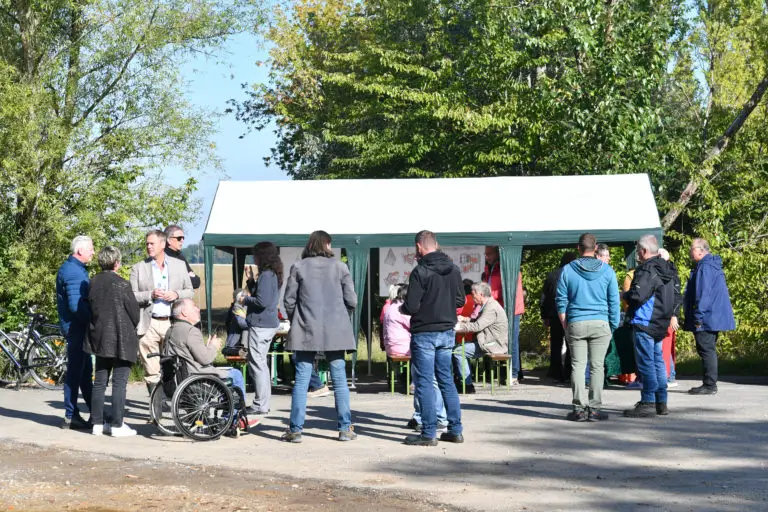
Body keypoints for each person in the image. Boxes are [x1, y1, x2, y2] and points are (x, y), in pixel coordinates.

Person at [281, 231, 358, 443]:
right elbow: (352, 300)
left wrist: (297, 318)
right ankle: (344, 429)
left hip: (306, 328)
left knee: (302, 380)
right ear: (326, 244)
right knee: (340, 381)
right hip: (336, 329)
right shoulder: (340, 267)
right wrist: (341, 316)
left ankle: (296, 430)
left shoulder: (298, 267)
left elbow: (288, 301)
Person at [401, 230, 465, 446]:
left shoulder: (419, 271)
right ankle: (455, 430)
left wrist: (403, 308)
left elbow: (412, 306)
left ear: (419, 247)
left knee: (425, 383)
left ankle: (428, 433)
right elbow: (459, 300)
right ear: (436, 244)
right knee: (446, 380)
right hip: (447, 332)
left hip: (425, 332)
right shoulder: (454, 270)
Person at [556, 233, 620, 422]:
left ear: (578, 248)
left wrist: (566, 324)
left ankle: (578, 409)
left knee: (577, 365)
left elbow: (561, 301)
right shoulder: (607, 271)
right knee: (597, 366)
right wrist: (613, 325)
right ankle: (595, 409)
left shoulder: (567, 270)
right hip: (600, 323)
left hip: (576, 322)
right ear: (596, 248)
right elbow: (613, 302)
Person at [164, 299, 256, 430]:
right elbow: (206, 359)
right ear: (184, 312)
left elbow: (190, 356)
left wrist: (206, 347)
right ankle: (232, 419)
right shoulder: (191, 331)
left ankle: (227, 416)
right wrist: (213, 346)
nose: (197, 309)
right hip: (196, 378)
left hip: (178, 378)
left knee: (230, 373)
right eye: (194, 306)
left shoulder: (171, 330)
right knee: (236, 374)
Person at [622, 235, 681, 418]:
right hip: (660, 322)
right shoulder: (668, 269)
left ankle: (648, 401)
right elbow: (676, 296)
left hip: (645, 322)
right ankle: (661, 402)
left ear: (644, 251)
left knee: (646, 363)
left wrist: (624, 295)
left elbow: (638, 296)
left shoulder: (647, 270)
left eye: (639, 251)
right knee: (658, 363)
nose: (638, 255)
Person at [85, 246, 140, 437]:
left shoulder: (92, 282)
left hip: (99, 337)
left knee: (99, 382)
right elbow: (134, 313)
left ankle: (97, 424)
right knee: (119, 383)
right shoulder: (122, 284)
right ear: (117, 263)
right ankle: (117, 425)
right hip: (121, 338)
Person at [131, 229, 193, 395]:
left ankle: (180, 404)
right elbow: (131, 296)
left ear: (163, 244)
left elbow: (190, 291)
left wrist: (176, 294)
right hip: (148, 324)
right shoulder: (139, 268)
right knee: (151, 371)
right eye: (147, 244)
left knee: (174, 366)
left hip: (171, 323)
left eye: (152, 243)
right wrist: (149, 295)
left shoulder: (179, 266)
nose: (148, 247)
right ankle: (155, 413)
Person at [382, 283, 448, 433]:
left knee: (422, 381)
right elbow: (415, 324)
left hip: (399, 345)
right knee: (429, 380)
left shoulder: (391, 306)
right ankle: (439, 418)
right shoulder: (402, 308)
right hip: (408, 346)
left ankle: (420, 416)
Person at [684, 238, 735, 395]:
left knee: (706, 349)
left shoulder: (705, 267)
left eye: (692, 248)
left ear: (700, 250)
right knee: (708, 349)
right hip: (713, 316)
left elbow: (703, 293)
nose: (690, 252)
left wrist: (698, 316)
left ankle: (710, 385)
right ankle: (709, 383)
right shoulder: (711, 265)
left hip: (707, 317)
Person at [56, 235, 95, 430]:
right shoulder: (74, 272)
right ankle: (71, 415)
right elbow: (75, 305)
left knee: (84, 372)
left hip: (76, 328)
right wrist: (93, 320)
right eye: (91, 249)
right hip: (77, 328)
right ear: (80, 251)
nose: (93, 252)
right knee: (76, 371)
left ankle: (94, 413)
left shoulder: (73, 268)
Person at [242, 242, 282, 416]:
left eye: (255, 255)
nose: (254, 258)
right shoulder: (272, 274)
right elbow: (262, 296)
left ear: (263, 256)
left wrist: (244, 299)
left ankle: (260, 404)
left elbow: (261, 301)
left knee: (257, 365)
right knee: (261, 365)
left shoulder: (266, 275)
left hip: (261, 324)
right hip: (267, 323)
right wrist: (251, 281)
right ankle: (263, 403)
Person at [482, 246, 525, 383]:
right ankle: (504, 373)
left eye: (489, 254)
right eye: (485, 254)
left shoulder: (506, 267)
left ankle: (513, 373)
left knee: (511, 340)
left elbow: (504, 291)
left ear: (497, 253)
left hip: (510, 309)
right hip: (497, 310)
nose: (486, 257)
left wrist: (487, 297)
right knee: (501, 341)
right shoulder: (490, 268)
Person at [541, 252, 578, 382]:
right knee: (570, 344)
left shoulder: (552, 275)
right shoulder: (575, 275)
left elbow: (544, 297)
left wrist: (545, 316)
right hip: (570, 313)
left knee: (556, 344)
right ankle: (568, 372)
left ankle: (555, 372)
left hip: (554, 314)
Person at [456, 282, 509, 355]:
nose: (472, 297)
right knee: (459, 348)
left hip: (494, 345)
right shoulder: (488, 304)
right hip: (490, 341)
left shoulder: (491, 308)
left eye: (473, 295)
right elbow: (480, 321)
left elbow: (477, 326)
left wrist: (458, 327)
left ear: (481, 295)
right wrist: (464, 319)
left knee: (458, 351)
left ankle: (466, 367)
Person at [453, 279, 481, 393]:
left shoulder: (462, 300)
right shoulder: (475, 302)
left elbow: (456, 313)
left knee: (455, 351)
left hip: (461, 334)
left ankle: (461, 378)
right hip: (472, 335)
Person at [658, 248, 681, 387]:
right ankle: (669, 376)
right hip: (666, 315)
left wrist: (674, 315)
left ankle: (667, 377)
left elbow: (677, 296)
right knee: (666, 348)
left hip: (665, 316)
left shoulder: (668, 273)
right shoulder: (671, 272)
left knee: (664, 348)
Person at [163, 225, 201, 289]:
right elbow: (167, 282)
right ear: (169, 240)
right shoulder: (162, 257)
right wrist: (186, 277)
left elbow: (196, 282)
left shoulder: (181, 258)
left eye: (183, 238)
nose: (182, 240)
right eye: (179, 238)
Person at [223, 288, 249, 356]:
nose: (247, 297)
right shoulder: (236, 308)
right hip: (234, 346)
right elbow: (243, 324)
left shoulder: (243, 307)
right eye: (244, 295)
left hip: (238, 345)